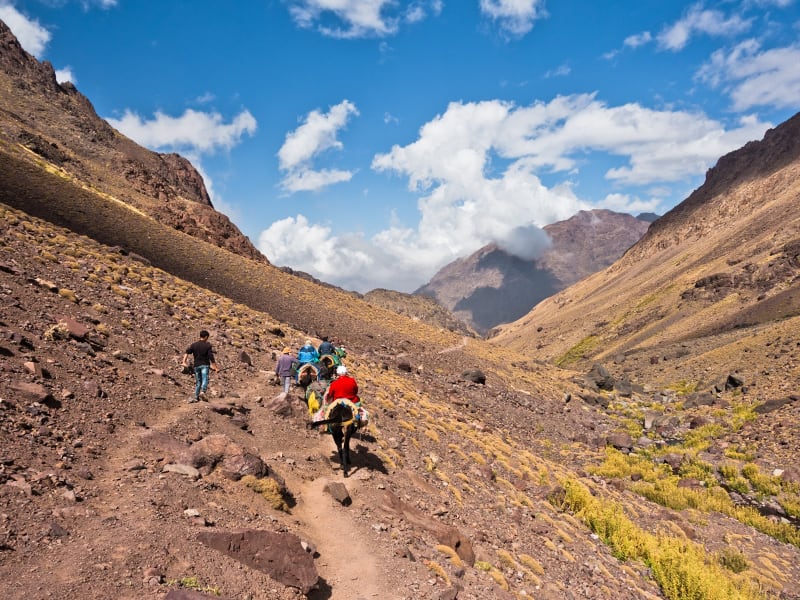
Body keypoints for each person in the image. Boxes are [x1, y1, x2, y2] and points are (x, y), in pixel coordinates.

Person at [182, 330, 219, 403]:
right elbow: (211, 357)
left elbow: (187, 352)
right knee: (205, 378)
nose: (207, 339)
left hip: (196, 366)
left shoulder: (194, 345)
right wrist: (216, 367)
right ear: (205, 337)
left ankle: (196, 397)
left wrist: (184, 362)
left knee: (198, 381)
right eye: (207, 337)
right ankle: (203, 392)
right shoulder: (208, 345)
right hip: (205, 365)